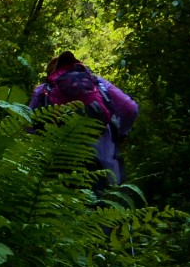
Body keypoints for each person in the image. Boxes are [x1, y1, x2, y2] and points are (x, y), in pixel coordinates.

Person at [28, 50, 139, 183]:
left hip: (60, 163)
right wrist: (121, 133)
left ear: (51, 72)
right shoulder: (98, 83)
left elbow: (28, 125)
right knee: (104, 200)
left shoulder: (43, 90)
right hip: (103, 159)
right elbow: (130, 108)